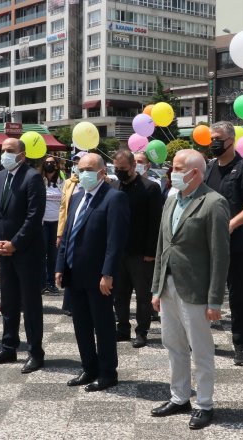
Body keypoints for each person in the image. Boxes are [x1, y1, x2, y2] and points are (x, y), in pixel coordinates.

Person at [149, 149, 230, 430]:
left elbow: (220, 255)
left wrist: (215, 300)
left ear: (195, 172)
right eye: (173, 167)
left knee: (201, 350)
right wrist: (156, 287)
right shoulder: (171, 200)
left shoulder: (214, 202)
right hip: (168, 286)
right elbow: (162, 246)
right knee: (173, 345)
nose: (173, 172)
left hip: (196, 290)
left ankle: (204, 403)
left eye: (179, 168)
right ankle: (179, 396)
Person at [56, 152, 129, 392]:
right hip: (74, 273)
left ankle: (108, 372)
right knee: (81, 324)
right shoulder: (77, 197)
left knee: (103, 325)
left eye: (87, 169)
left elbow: (115, 241)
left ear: (100, 172)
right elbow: (67, 235)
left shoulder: (114, 198)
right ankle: (89, 367)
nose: (82, 173)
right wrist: (59, 267)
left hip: (99, 277)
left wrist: (108, 273)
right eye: (79, 168)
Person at [0, 139, 47, 373]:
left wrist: (15, 243)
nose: (4, 155)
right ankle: (8, 346)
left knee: (30, 303)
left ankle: (35, 352)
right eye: (2, 150)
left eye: (9, 151)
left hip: (27, 251)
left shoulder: (32, 178)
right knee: (8, 300)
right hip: (3, 250)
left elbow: (34, 217)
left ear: (22, 154)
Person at [205, 121, 243, 367]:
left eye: (217, 138)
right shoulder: (209, 168)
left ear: (230, 140)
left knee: (239, 296)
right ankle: (201, 339)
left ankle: (241, 346)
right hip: (208, 243)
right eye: (211, 138)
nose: (213, 143)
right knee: (203, 292)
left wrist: (232, 223)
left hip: (236, 245)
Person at [110, 150, 163, 348]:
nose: (119, 172)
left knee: (143, 295)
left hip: (141, 252)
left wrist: (151, 252)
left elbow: (155, 222)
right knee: (119, 294)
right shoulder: (114, 186)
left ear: (133, 166)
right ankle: (122, 327)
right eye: (116, 168)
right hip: (119, 251)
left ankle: (142, 331)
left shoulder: (150, 188)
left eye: (123, 169)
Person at [56, 152, 83, 316]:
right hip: (69, 227)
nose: (77, 166)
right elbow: (62, 208)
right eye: (75, 163)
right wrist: (60, 233)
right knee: (67, 264)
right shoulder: (68, 183)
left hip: (85, 227)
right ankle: (69, 304)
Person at [41, 156, 62, 294]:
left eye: (52, 163)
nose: (50, 165)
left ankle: (50, 282)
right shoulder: (38, 181)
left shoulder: (62, 182)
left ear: (56, 165)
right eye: (47, 163)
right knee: (42, 254)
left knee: (53, 254)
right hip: (42, 223)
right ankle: (41, 283)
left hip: (56, 223)